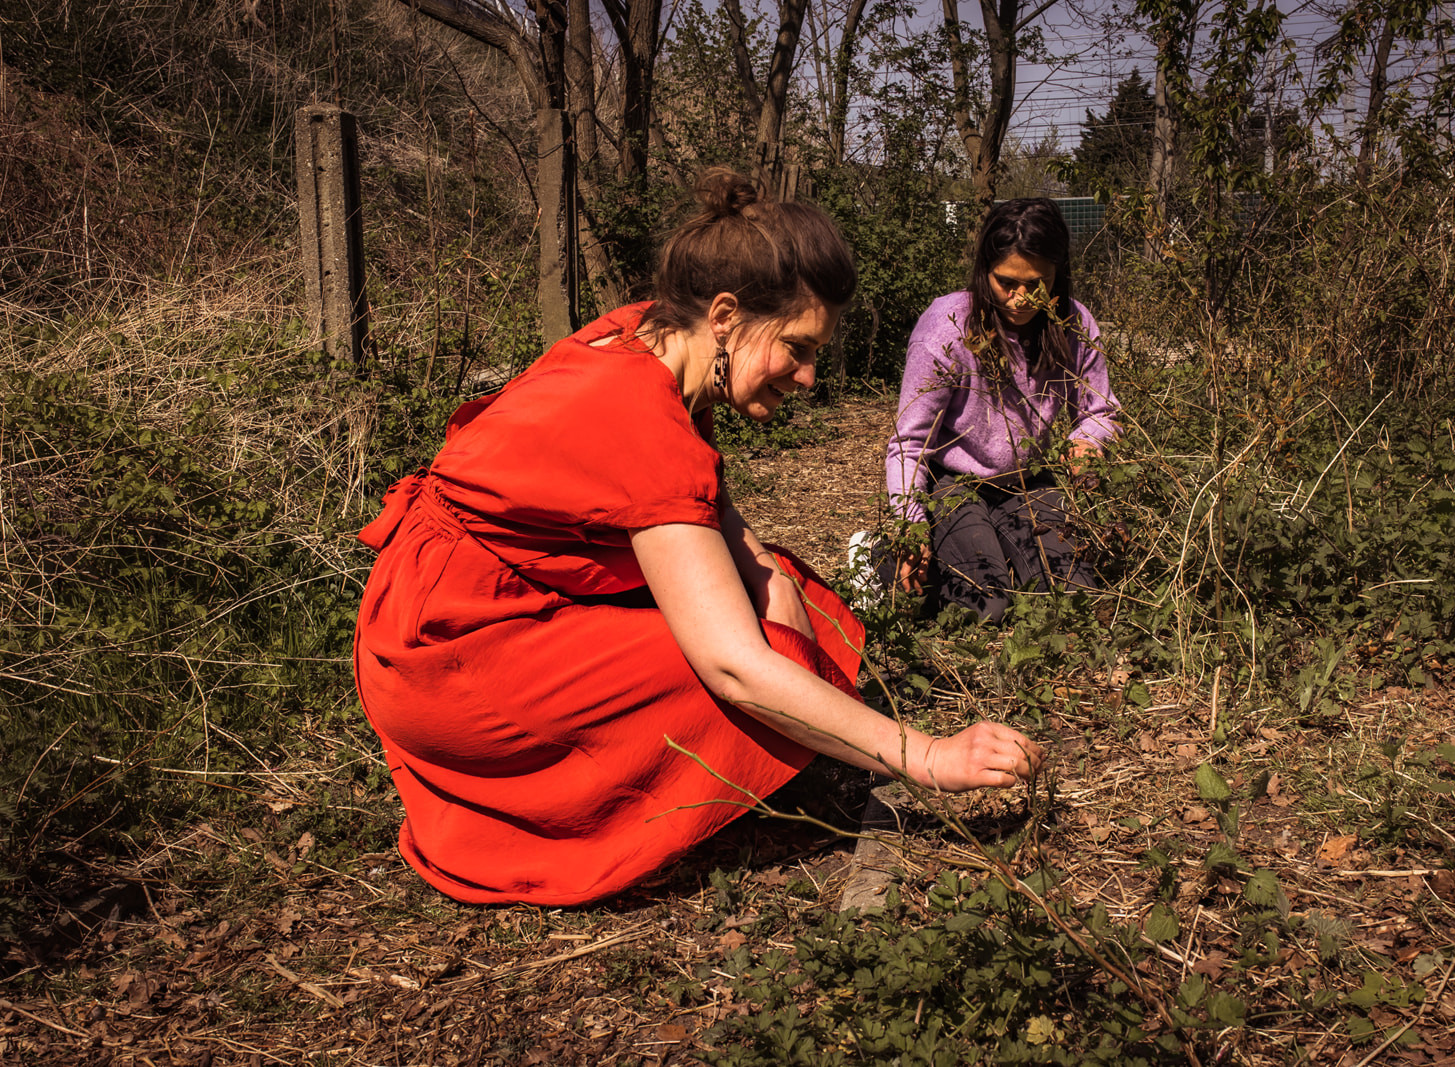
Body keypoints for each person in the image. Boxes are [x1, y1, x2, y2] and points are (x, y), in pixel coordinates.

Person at [353, 170, 1044, 907]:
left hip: (459, 601)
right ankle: (545, 801)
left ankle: (790, 751)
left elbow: (714, 513)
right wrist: (928, 756)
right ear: (724, 314)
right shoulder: (639, 416)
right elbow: (733, 665)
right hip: (451, 650)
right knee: (737, 672)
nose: (809, 377)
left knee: (785, 586)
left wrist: (772, 580)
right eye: (797, 348)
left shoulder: (652, 333)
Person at [884, 198, 1121, 623]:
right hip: (951, 481)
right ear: (984, 271)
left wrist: (1087, 441)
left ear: (1058, 274)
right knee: (986, 605)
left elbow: (1101, 409)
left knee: (1075, 594)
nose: (1019, 298)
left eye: (1037, 283)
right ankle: (881, 558)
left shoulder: (1073, 324)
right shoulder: (946, 328)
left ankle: (995, 553)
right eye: (1006, 282)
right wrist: (910, 523)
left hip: (1027, 482)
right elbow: (909, 442)